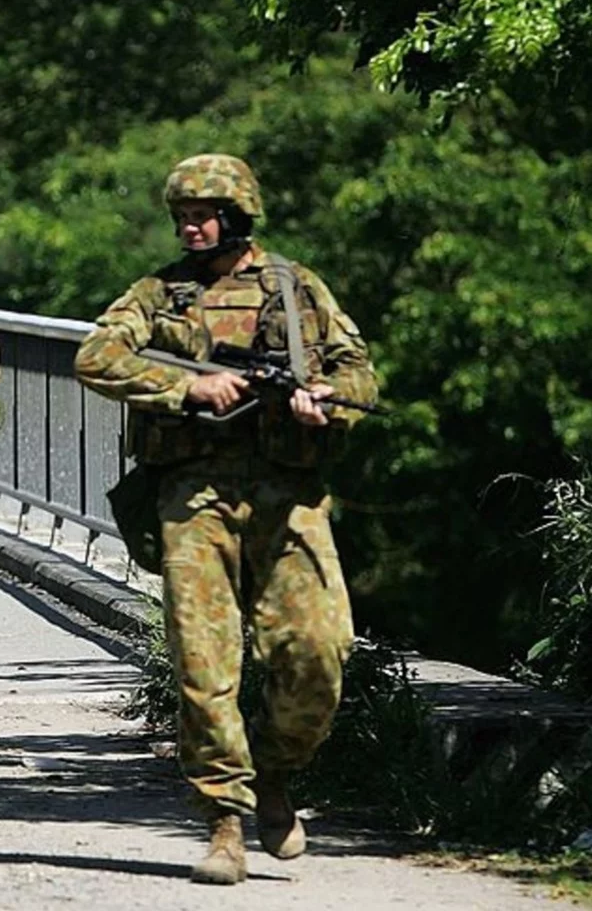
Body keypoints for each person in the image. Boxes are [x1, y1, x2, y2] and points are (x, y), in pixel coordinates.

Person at [73, 154, 378, 885]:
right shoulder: (160, 293)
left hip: (288, 496)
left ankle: (274, 772)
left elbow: (359, 370)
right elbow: (95, 356)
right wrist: (188, 385)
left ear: (239, 215)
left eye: (204, 211)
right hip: (193, 498)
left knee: (319, 649)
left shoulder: (296, 288)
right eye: (181, 211)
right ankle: (224, 823)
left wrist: (326, 397)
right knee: (205, 664)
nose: (189, 223)